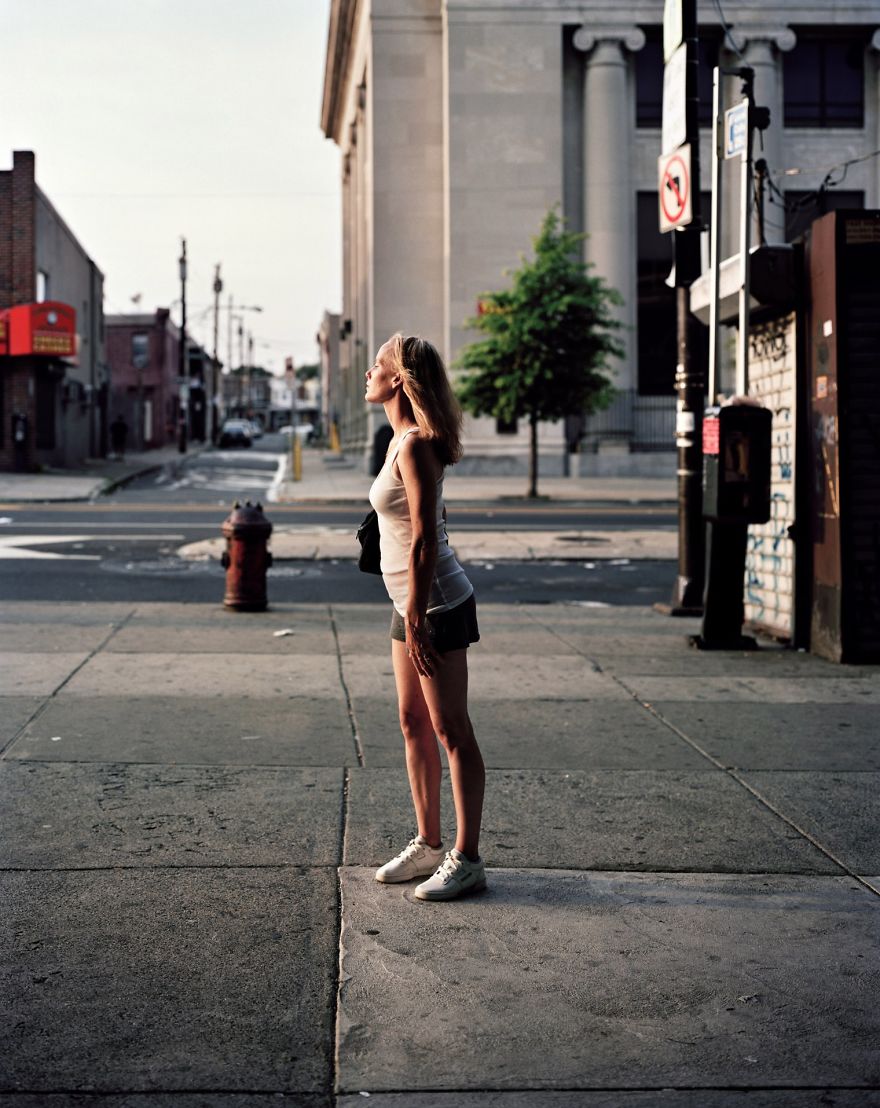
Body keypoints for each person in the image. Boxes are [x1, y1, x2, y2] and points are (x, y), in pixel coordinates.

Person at [366, 333, 486, 902]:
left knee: (450, 728)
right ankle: (429, 844)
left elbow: (422, 539)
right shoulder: (396, 442)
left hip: (434, 602)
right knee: (411, 723)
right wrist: (404, 607)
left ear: (399, 380)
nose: (370, 371)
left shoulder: (415, 446)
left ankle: (467, 857)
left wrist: (416, 613)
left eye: (378, 365)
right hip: (407, 601)